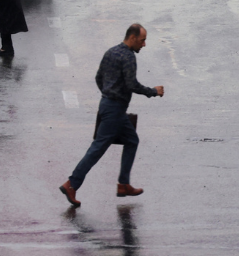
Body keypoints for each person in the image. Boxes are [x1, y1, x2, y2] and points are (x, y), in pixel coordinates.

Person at [59, 24, 164, 207]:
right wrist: (153, 91)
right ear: (132, 38)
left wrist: (108, 93)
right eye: (142, 40)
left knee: (132, 140)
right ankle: (72, 184)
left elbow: (99, 78)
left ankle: (124, 184)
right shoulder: (129, 57)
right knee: (97, 148)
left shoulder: (111, 52)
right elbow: (132, 84)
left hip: (108, 105)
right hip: (115, 109)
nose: (144, 44)